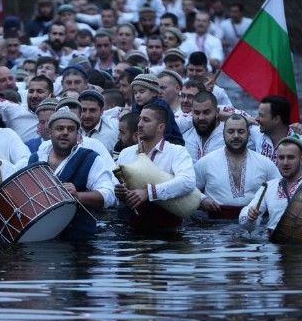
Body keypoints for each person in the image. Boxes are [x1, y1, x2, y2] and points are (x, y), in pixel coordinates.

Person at [27, 107, 116, 238]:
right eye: (59, 128)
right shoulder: (35, 158)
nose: (65, 132)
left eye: (70, 129)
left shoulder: (91, 158)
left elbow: (109, 196)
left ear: (78, 134)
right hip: (40, 238)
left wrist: (78, 195)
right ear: (50, 132)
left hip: (80, 241)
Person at [115, 102, 196, 230]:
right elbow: (118, 188)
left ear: (161, 127)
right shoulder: (126, 153)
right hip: (131, 224)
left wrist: (149, 193)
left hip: (168, 227)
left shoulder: (176, 152)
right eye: (140, 119)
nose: (140, 124)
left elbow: (187, 182)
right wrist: (120, 192)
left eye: (146, 120)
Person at [196, 114, 280, 219]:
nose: (236, 136)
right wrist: (202, 199)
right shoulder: (206, 162)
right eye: (231, 131)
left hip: (253, 225)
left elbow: (280, 189)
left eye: (241, 131)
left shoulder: (265, 163)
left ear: (248, 134)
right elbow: (189, 187)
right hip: (214, 225)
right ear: (223, 134)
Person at [0, 75, 54, 142]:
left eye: (39, 91)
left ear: (50, 95)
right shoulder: (14, 110)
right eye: (31, 91)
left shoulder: (61, 114)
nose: (34, 96)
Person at [251, 95, 302, 163]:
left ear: (276, 119)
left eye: (261, 115)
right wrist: (247, 120)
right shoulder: (257, 133)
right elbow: (234, 114)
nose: (256, 119)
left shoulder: (300, 142)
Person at [183, 91, 225, 162]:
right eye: (197, 113)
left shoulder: (228, 136)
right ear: (191, 112)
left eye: (206, 112)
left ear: (217, 112)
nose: (201, 117)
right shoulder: (185, 138)